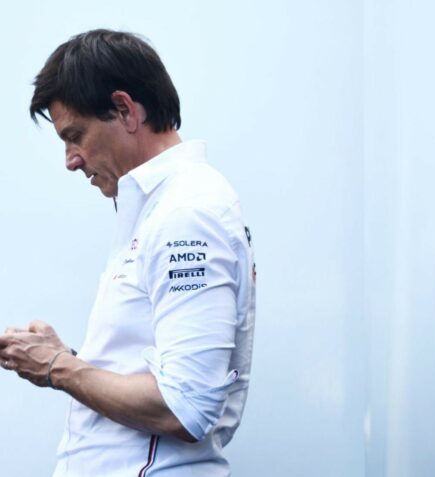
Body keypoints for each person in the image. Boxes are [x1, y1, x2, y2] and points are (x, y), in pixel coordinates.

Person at [0, 29, 255, 476]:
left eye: (75, 136)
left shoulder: (186, 213)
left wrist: (58, 368)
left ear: (125, 109)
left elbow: (186, 407)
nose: (70, 160)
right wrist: (70, 359)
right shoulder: (157, 207)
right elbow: (147, 370)